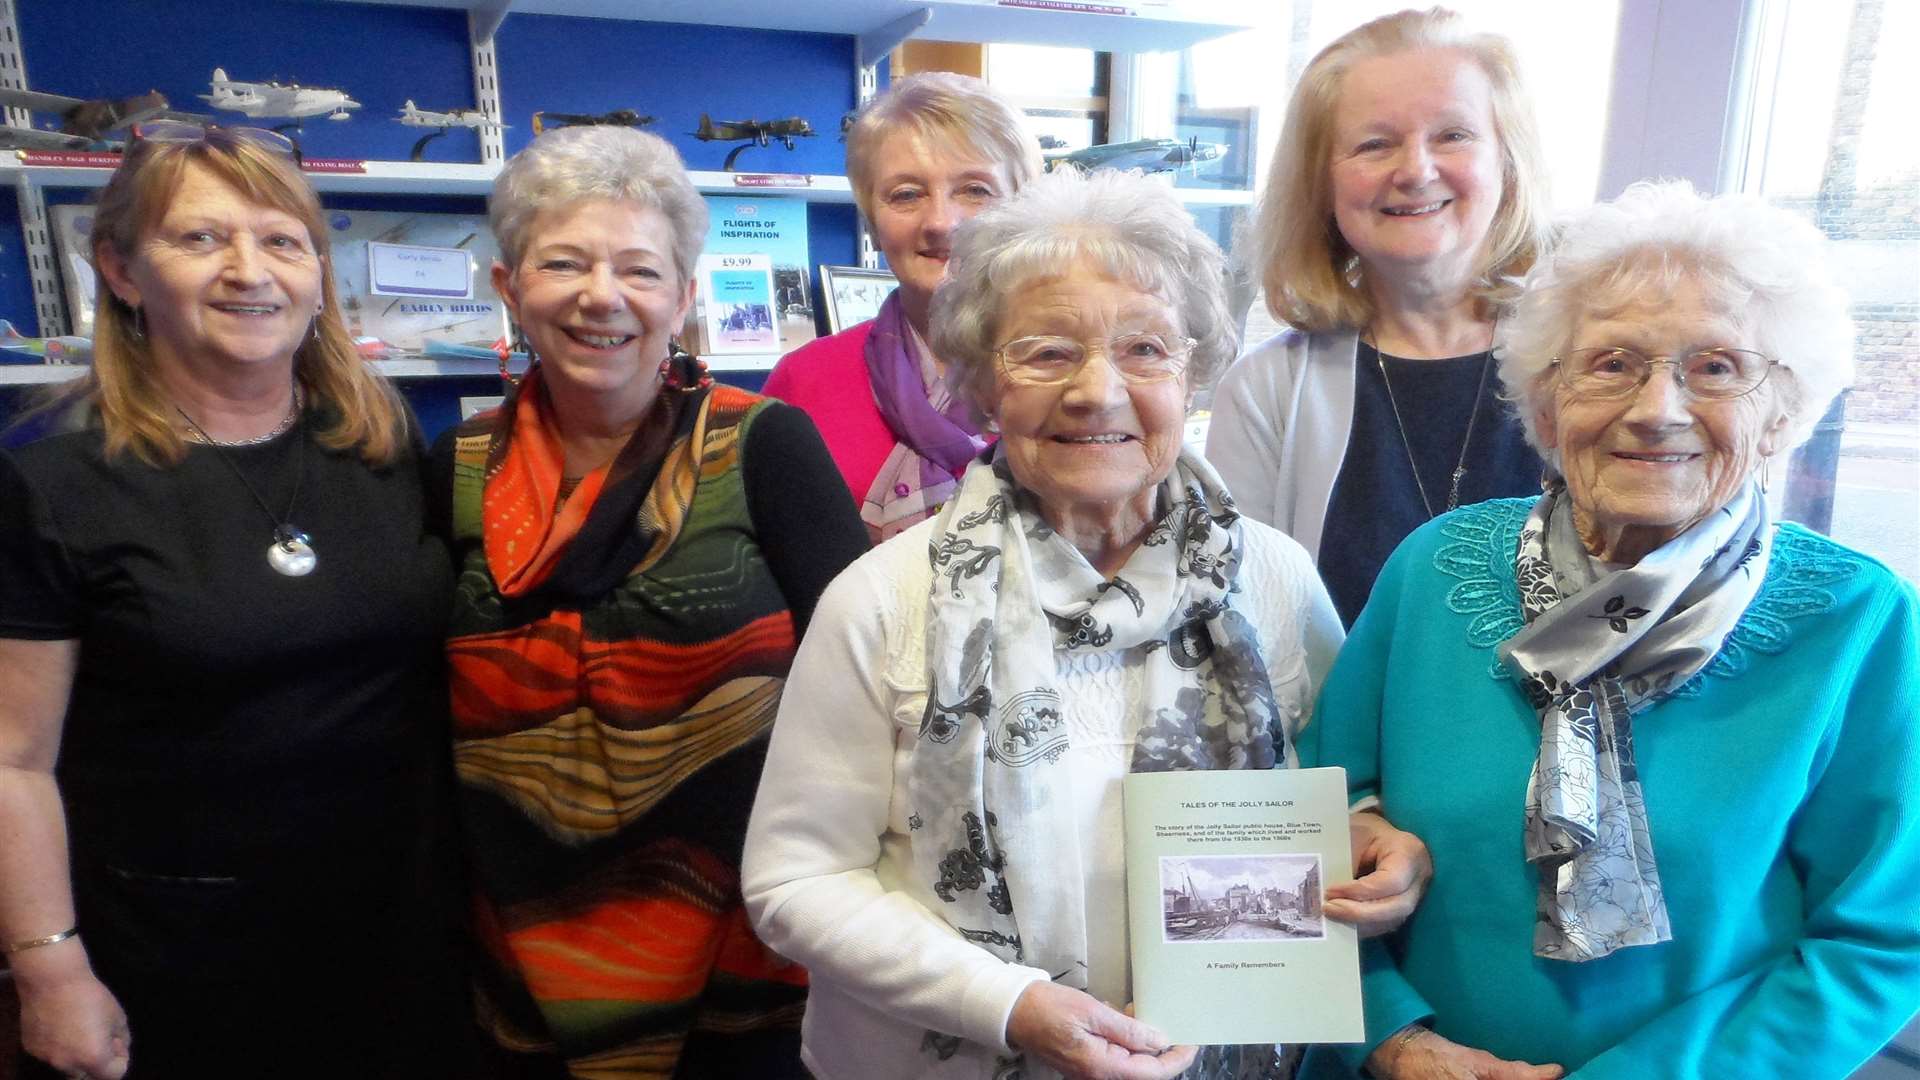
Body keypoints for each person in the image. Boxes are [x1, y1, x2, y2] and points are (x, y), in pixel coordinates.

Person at [743, 169, 1431, 1080]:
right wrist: (1008, 1006)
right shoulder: (886, 600)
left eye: (1145, 349)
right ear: (984, 382)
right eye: (1046, 352)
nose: (1097, 392)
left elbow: (1333, 792)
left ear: (1193, 373)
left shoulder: (1271, 576)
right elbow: (796, 880)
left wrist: (1377, 842)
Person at [1303, 180, 1920, 1079]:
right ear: (1546, 404)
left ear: (1785, 411)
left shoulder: (1858, 620)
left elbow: (1883, 939)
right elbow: (1305, 822)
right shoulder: (1432, 569)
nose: (1657, 408)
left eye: (1716, 367)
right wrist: (1393, 1037)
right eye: (1612, 363)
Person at [0, 124, 463, 1078]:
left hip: (403, 934)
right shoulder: (53, 486)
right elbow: (12, 762)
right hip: (177, 954)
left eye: (282, 241)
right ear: (122, 272)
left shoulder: (381, 451)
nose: (249, 271)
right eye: (200, 239)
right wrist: (50, 971)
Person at [433, 124, 868, 1077]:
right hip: (519, 937)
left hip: (741, 946)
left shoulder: (767, 447)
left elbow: (869, 680)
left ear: (683, 296)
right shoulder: (457, 468)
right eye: (563, 263)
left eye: (639, 269)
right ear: (510, 290)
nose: (602, 296)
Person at [1206, 7, 1551, 627]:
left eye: (1453, 134)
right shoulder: (1266, 392)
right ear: (1322, 184)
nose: (1415, 170)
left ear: (1508, 162)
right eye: (1375, 144)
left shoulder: (1583, 365)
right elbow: (1242, 631)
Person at [763, 72, 1041, 542]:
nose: (941, 223)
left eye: (975, 190)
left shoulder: (1072, 372)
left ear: (1023, 207)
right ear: (871, 222)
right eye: (907, 194)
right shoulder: (802, 383)